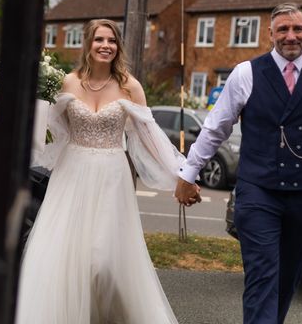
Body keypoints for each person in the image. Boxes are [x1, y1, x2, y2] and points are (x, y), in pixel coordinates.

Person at [175, 3, 302, 324]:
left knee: (288, 277)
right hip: (257, 193)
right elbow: (215, 127)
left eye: (297, 29)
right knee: (263, 274)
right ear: (270, 34)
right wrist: (188, 173)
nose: (290, 36)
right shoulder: (246, 73)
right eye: (283, 29)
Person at [15, 19, 188, 324]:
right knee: (62, 254)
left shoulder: (129, 87)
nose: (105, 45)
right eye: (99, 40)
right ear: (88, 44)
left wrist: (183, 174)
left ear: (118, 46)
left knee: (103, 262)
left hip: (112, 175)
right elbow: (44, 129)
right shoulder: (66, 82)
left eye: (111, 40)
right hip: (71, 173)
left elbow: (150, 137)